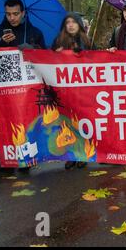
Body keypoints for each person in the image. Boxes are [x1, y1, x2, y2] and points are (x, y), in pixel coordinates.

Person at [51, 12, 93, 170]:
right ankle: (71, 155)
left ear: (79, 24)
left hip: (83, 90)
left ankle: (82, 154)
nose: (70, 25)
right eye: (67, 22)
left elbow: (97, 59)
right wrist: (55, 54)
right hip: (65, 90)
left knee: (82, 122)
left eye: (73, 22)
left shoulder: (86, 41)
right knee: (66, 122)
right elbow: (47, 60)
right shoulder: (58, 41)